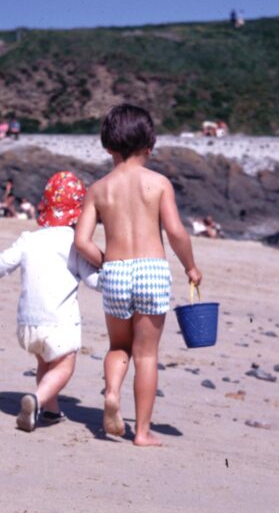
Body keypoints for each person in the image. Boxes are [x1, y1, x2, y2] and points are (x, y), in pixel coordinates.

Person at [74, 104, 202, 447]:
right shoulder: (158, 183)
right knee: (146, 354)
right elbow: (175, 232)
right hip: (151, 271)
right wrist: (190, 266)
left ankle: (112, 391)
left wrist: (105, 262)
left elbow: (81, 241)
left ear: (107, 146)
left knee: (119, 346)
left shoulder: (99, 189)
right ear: (150, 145)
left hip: (115, 271)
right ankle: (142, 432)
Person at [0, 171, 100, 432]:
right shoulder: (75, 243)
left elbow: (3, 261)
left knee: (44, 363)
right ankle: (37, 400)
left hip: (28, 324)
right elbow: (94, 280)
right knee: (63, 367)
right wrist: (117, 279)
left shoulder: (29, 238)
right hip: (59, 322)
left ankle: (51, 412)